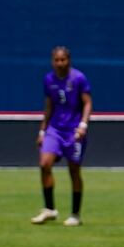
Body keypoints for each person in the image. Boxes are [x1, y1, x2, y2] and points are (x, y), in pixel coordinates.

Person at [31, 46, 92, 226]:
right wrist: (43, 131)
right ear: (52, 61)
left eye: (62, 60)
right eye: (56, 60)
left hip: (74, 131)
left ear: (68, 60)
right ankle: (49, 209)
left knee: (74, 171)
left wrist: (83, 125)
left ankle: (75, 214)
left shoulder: (79, 78)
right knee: (44, 164)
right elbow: (49, 107)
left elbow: (88, 103)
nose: (59, 63)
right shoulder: (48, 79)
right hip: (54, 130)